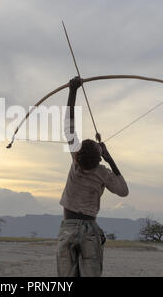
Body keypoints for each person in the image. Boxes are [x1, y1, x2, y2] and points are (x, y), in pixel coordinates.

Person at [57, 76, 129, 277]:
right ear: (99, 158)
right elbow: (124, 191)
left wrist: (73, 90)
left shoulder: (75, 161)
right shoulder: (102, 172)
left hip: (68, 228)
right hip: (89, 230)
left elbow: (68, 125)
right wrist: (110, 158)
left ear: (79, 154)